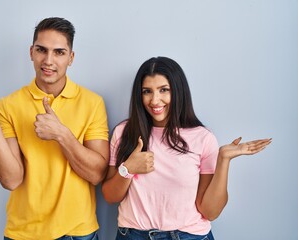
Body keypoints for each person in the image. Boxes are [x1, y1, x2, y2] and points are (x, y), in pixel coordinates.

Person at [0, 17, 109, 240]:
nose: (49, 60)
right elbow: (11, 180)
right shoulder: (9, 105)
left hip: (77, 233)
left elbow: (97, 174)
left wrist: (61, 134)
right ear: (31, 52)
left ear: (71, 58)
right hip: (23, 233)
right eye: (42, 50)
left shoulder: (92, 103)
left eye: (59, 52)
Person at [101, 56, 271, 240]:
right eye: (147, 91)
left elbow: (210, 212)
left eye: (164, 90)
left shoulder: (202, 138)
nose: (155, 100)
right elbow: (110, 196)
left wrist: (223, 160)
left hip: (187, 236)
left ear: (178, 91)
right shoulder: (124, 132)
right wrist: (128, 169)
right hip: (132, 235)